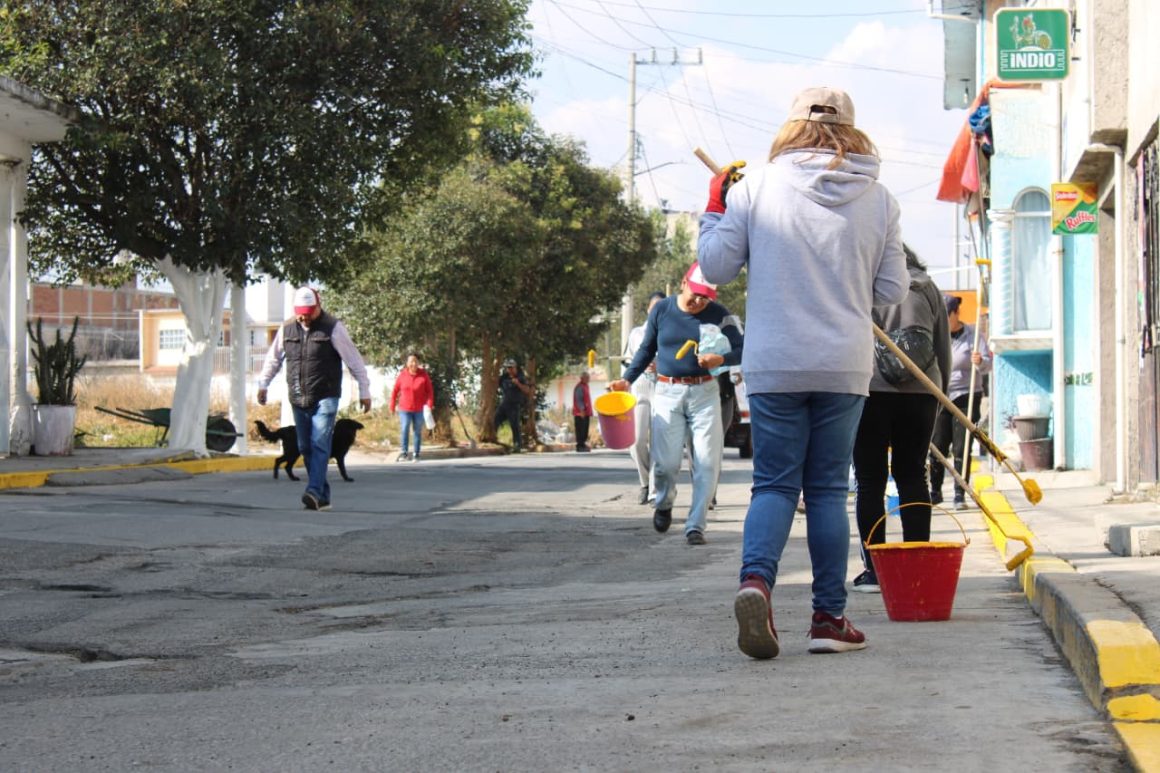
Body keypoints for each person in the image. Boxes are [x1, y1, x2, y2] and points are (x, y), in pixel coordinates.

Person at [698, 86, 909, 658]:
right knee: (825, 491)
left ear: (791, 125)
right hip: (842, 362)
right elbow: (891, 292)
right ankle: (827, 619)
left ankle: (756, 582)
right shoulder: (881, 199)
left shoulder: (754, 189)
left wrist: (715, 205)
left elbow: (714, 266)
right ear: (853, 128)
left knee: (773, 484)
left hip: (775, 362)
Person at [609, 262, 743, 546]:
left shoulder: (719, 315)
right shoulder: (662, 310)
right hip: (667, 392)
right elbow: (647, 349)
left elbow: (744, 348)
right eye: (695, 293)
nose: (699, 301)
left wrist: (721, 360)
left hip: (705, 393)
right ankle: (665, 501)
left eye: (706, 297)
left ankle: (696, 525)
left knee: (707, 462)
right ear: (684, 282)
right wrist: (627, 380)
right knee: (666, 464)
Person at [851, 245, 951, 594]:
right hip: (922, 393)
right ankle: (916, 565)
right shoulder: (928, 287)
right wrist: (938, 398)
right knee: (912, 475)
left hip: (870, 390)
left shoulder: (862, 285)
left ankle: (875, 571)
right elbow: (942, 347)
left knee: (870, 480)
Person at [258, 286, 372, 511]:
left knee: (320, 443)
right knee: (305, 446)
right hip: (298, 396)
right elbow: (273, 359)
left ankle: (312, 491)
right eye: (301, 312)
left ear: (318, 306)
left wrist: (364, 390)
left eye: (309, 312)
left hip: (326, 395)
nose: (305, 317)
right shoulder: (287, 328)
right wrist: (263, 384)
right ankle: (322, 496)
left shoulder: (333, 328)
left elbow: (354, 360)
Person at [929, 293, 992, 509]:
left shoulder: (973, 336)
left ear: (956, 313)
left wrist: (980, 361)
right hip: (941, 395)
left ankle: (959, 493)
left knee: (962, 446)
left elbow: (987, 364)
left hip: (966, 395)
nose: (945, 320)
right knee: (937, 444)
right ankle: (935, 491)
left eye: (948, 315)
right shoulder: (936, 336)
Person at [624, 291, 666, 504]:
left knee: (659, 442)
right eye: (653, 307)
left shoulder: (669, 332)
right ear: (648, 309)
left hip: (662, 387)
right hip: (640, 388)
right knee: (637, 440)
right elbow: (629, 361)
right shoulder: (636, 334)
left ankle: (654, 491)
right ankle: (644, 481)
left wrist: (661, 364)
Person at [389, 352, 434, 463]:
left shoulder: (423, 375)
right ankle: (404, 453)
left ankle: (416, 454)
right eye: (411, 361)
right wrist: (392, 406)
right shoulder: (402, 375)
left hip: (419, 409)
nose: (413, 363)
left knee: (417, 431)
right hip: (405, 408)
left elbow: (430, 391)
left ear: (418, 363)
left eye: (415, 361)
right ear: (407, 363)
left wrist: (429, 404)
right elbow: (395, 391)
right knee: (404, 428)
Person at [496, 358, 534, 452]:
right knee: (495, 420)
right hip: (504, 404)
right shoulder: (504, 377)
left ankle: (517, 445)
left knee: (514, 425)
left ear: (515, 367)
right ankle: (493, 440)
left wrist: (518, 384)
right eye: (508, 368)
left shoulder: (521, 377)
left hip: (514, 405)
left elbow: (527, 390)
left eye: (511, 368)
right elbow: (497, 383)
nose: (510, 370)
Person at [572, 372, 593, 452]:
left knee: (584, 429)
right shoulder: (580, 387)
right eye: (587, 377)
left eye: (588, 377)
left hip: (585, 412)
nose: (589, 379)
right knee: (580, 429)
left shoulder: (585, 386)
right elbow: (579, 399)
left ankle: (583, 444)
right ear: (582, 378)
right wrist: (582, 410)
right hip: (581, 413)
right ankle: (580, 446)